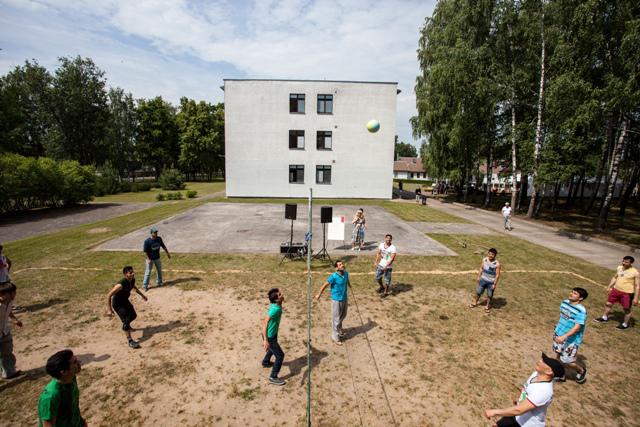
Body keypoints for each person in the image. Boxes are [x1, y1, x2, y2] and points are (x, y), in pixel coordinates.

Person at [484, 353, 565, 427]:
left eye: (543, 361)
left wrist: (495, 412)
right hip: (518, 415)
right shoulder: (536, 374)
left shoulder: (543, 391)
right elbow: (526, 388)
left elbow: (519, 410)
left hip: (527, 424)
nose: (540, 361)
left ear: (548, 371)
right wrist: (520, 399)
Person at [38, 349, 87, 427]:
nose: (79, 362)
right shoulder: (50, 396)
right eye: (74, 362)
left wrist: (82, 423)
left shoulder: (71, 378)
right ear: (63, 372)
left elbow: (72, 407)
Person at [593, 255, 640, 330]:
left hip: (627, 293)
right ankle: (604, 317)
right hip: (615, 290)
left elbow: (637, 286)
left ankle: (625, 324)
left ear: (631, 263)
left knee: (626, 309)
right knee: (608, 304)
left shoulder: (635, 272)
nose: (624, 263)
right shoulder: (619, 267)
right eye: (623, 261)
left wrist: (636, 298)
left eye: (626, 262)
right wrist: (609, 286)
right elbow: (615, 277)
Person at [106, 266, 147, 349]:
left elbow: (134, 287)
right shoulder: (120, 285)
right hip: (117, 304)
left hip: (125, 301)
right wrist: (109, 310)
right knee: (127, 319)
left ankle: (126, 325)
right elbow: (109, 295)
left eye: (133, 272)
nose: (133, 274)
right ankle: (130, 340)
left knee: (133, 315)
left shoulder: (132, 280)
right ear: (125, 274)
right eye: (130, 273)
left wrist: (142, 295)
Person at [553, 287, 588, 383]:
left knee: (568, 361)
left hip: (570, 340)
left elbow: (577, 327)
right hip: (558, 334)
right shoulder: (564, 303)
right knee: (558, 356)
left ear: (580, 298)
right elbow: (563, 317)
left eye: (575, 293)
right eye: (572, 292)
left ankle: (581, 370)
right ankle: (561, 375)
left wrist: (564, 336)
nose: (571, 294)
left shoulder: (581, 311)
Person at [315, 260, 351, 345]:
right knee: (336, 318)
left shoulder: (346, 274)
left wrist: (349, 285)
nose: (342, 265)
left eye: (342, 264)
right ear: (336, 268)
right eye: (340, 264)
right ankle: (335, 337)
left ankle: (339, 329)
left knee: (344, 314)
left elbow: (347, 280)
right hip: (336, 300)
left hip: (344, 298)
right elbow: (325, 285)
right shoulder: (333, 276)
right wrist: (319, 294)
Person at [262, 288, 286, 386]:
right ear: (276, 300)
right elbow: (264, 323)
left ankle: (266, 362)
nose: (282, 295)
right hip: (269, 336)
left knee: (272, 349)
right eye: (280, 295)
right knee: (280, 355)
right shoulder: (275, 309)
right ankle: (273, 377)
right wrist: (265, 340)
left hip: (273, 334)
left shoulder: (276, 304)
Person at [0, 282, 23, 379]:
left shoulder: (10, 301)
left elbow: (9, 311)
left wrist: (15, 320)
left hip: (5, 331)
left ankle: (9, 372)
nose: (14, 295)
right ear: (3, 294)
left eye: (14, 292)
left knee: (7, 352)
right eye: (12, 293)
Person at [469, 248, 501, 313]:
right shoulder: (485, 259)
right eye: (489, 254)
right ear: (488, 253)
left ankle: (487, 305)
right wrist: (478, 277)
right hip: (483, 280)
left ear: (495, 255)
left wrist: (494, 284)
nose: (490, 255)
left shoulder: (497, 264)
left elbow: (497, 275)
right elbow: (481, 268)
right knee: (478, 292)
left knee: (489, 295)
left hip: (491, 282)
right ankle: (475, 302)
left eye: (492, 254)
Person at [142, 226, 171, 291]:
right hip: (150, 259)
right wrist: (148, 259)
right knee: (148, 272)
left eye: (156, 232)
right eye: (154, 232)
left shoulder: (159, 239)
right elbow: (145, 251)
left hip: (157, 258)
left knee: (159, 270)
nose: (156, 233)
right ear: (151, 233)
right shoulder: (147, 241)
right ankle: (145, 285)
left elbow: (163, 246)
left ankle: (159, 282)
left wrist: (167, 253)